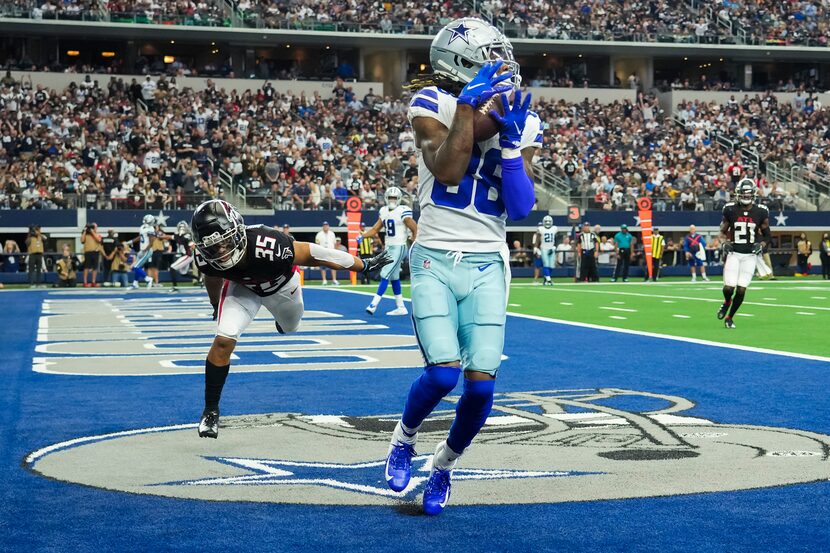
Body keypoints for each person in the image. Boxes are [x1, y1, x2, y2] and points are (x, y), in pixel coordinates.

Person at [384, 18, 538, 516]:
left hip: (489, 260)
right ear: (461, 61)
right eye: (491, 55)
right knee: (443, 375)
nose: (504, 64)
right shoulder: (432, 102)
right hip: (433, 252)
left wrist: (512, 143)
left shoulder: (522, 117)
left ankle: (445, 467)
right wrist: (471, 107)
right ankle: (403, 438)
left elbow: (519, 207)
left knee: (482, 385)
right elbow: (449, 168)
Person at [191, 200, 391, 440]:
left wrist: (362, 265)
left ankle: (281, 320)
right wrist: (216, 305)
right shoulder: (205, 258)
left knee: (290, 326)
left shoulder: (269, 244)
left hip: (281, 287)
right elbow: (212, 277)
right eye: (213, 248)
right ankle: (210, 410)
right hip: (243, 289)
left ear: (238, 230)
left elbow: (316, 254)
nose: (221, 252)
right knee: (223, 339)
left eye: (225, 242)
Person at [716, 179, 771, 329]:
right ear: (738, 193)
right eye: (743, 192)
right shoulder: (730, 209)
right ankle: (727, 302)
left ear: (753, 193)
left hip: (750, 256)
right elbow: (722, 232)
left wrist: (762, 245)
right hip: (734, 253)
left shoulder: (761, 211)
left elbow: (767, 236)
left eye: (748, 192)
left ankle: (729, 317)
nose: (746, 195)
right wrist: (724, 242)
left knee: (741, 289)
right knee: (729, 288)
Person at [360, 187, 417, 315]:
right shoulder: (384, 211)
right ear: (386, 198)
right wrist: (362, 235)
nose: (392, 200)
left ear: (399, 199)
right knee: (394, 277)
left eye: (394, 198)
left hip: (399, 246)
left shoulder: (403, 211)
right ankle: (401, 307)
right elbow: (375, 229)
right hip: (389, 247)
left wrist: (413, 240)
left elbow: (414, 227)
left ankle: (373, 304)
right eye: (390, 198)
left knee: (384, 273)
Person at [128, 214, 156, 288]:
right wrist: (131, 241)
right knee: (137, 266)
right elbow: (140, 237)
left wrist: (145, 249)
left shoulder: (151, 229)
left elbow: (151, 242)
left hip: (147, 250)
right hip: (142, 250)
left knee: (136, 267)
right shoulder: (142, 227)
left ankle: (148, 279)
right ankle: (135, 283)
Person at [169, 221, 196, 292]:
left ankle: (175, 287)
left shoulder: (187, 235)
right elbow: (170, 237)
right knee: (183, 273)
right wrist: (160, 235)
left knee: (172, 268)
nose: (181, 229)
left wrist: (192, 249)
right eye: (180, 227)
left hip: (188, 255)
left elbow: (192, 246)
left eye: (182, 227)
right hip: (186, 256)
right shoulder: (178, 235)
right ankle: (199, 279)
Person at [534, 215, 557, 285]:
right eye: (546, 221)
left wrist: (554, 246)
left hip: (551, 248)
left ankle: (545, 279)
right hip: (544, 248)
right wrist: (536, 248)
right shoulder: (541, 229)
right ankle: (549, 279)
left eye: (549, 221)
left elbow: (555, 238)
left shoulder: (554, 228)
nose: (547, 223)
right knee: (546, 264)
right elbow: (537, 239)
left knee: (552, 266)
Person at [81, 222, 103, 287]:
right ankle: (85, 282)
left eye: (95, 227)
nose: (94, 228)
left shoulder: (97, 235)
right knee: (86, 267)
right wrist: (85, 230)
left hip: (95, 252)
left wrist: (92, 231)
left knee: (95, 268)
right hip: (88, 252)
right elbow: (82, 241)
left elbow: (98, 240)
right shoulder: (86, 235)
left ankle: (93, 282)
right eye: (93, 227)